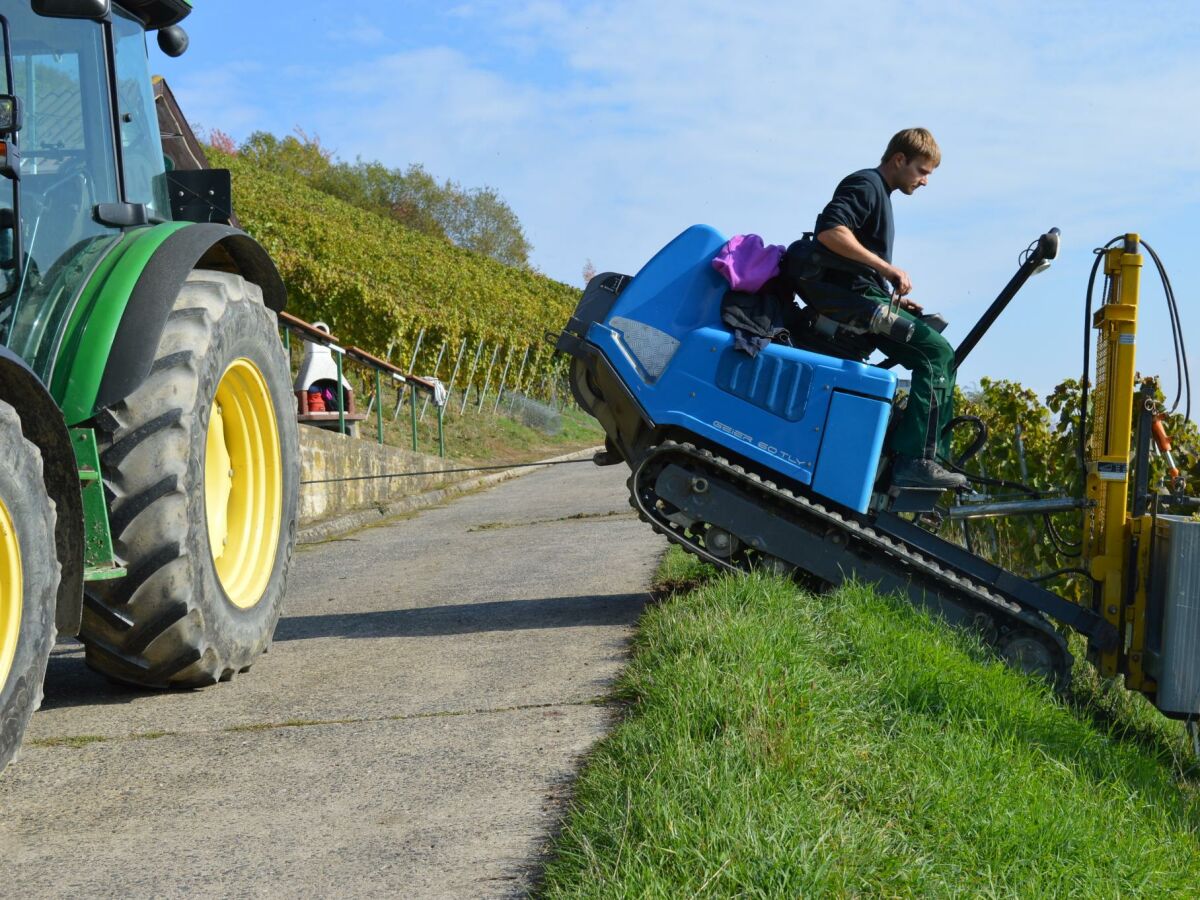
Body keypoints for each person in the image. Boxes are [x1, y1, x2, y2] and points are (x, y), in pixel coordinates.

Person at [806, 127, 965, 490]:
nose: (925, 181)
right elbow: (831, 232)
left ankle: (920, 454)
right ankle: (915, 461)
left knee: (940, 352)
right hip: (859, 305)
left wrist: (888, 288)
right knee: (935, 354)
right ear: (899, 160)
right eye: (922, 171)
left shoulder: (880, 192)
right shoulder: (866, 185)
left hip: (870, 295)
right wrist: (887, 269)